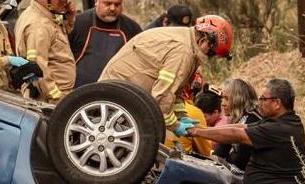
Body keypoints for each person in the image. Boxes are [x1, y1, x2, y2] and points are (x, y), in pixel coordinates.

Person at [98, 14, 234, 138]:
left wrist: (181, 115)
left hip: (124, 94)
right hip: (116, 97)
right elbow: (162, 95)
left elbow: (176, 90)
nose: (210, 58)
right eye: (212, 53)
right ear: (203, 40)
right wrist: (175, 126)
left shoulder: (188, 44)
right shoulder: (183, 51)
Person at [14, 0, 79, 102]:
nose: (64, 1)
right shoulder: (39, 25)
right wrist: (57, 98)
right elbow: (38, 69)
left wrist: (68, 19)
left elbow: (56, 40)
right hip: (50, 98)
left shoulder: (44, 16)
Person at [68, 0, 143, 87]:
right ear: (96, 1)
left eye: (117, 4)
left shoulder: (132, 28)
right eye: (108, 3)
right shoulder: (78, 23)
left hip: (115, 90)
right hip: (78, 90)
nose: (112, 8)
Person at [212, 78, 260, 171]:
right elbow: (221, 151)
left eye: (227, 99)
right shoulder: (237, 118)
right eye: (222, 98)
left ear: (239, 99)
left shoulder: (252, 120)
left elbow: (240, 162)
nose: (223, 103)